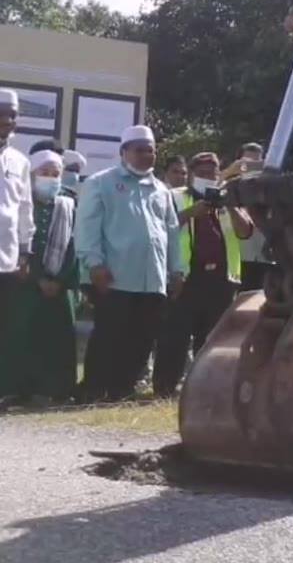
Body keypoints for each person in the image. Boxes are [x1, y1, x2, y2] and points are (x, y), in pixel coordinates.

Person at [75, 125, 184, 401]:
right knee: (110, 336)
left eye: (151, 151)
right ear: (124, 152)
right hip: (115, 276)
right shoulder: (101, 182)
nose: (146, 155)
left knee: (142, 338)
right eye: (140, 150)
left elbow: (171, 233)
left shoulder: (161, 190)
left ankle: (123, 390)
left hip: (153, 279)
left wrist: (176, 271)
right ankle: (95, 390)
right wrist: (94, 264)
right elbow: (87, 229)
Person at [153, 152, 254, 397]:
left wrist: (230, 206)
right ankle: (165, 388)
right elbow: (157, 229)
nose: (209, 176)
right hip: (186, 277)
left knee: (212, 337)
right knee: (175, 336)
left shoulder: (229, 199)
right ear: (191, 174)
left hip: (221, 279)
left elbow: (245, 232)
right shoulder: (174, 197)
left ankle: (206, 386)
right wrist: (190, 214)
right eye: (202, 172)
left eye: (213, 172)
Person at [0, 150, 78, 405]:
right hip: (25, 282)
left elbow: (74, 246)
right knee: (19, 334)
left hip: (59, 284)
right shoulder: (22, 204)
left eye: (56, 174)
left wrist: (60, 280)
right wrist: (37, 278)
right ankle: (14, 391)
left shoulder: (68, 205)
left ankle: (54, 390)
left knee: (58, 336)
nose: (51, 178)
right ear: (31, 176)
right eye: (44, 173)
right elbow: (19, 239)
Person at [0, 89, 34, 402]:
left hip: (7, 260)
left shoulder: (19, 161)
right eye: (1, 113)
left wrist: (25, 251)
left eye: (11, 114)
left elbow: (24, 209)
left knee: (5, 330)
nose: (6, 120)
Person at [227, 142, 272, 291]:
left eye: (257, 162)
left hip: (267, 262)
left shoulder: (270, 190)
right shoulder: (228, 189)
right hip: (238, 262)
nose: (251, 168)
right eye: (247, 163)